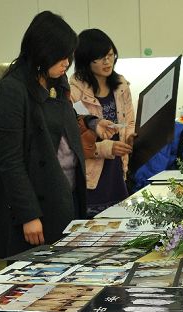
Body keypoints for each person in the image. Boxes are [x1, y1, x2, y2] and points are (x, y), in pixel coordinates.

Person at [0, 11, 115, 257]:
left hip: (65, 194)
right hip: (35, 205)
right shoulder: (12, 90)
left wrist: (92, 122)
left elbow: (68, 113)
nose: (66, 63)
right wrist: (28, 214)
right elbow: (10, 160)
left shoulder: (56, 80)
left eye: (68, 56)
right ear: (42, 51)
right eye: (61, 56)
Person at [70, 28, 135, 217]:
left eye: (110, 55)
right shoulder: (74, 92)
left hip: (118, 171)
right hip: (90, 175)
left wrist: (130, 138)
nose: (107, 62)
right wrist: (107, 148)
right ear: (86, 60)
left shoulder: (121, 86)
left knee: (120, 223)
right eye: (100, 58)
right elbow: (74, 141)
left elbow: (129, 122)